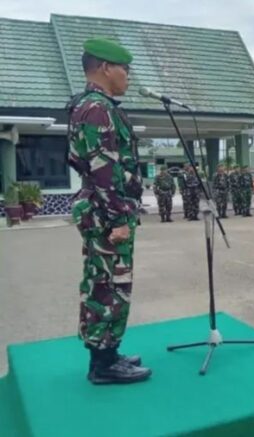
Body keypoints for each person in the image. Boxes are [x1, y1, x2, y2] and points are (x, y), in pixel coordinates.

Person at [66, 38, 151, 384]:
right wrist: (119, 218)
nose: (128, 76)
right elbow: (104, 168)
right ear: (104, 68)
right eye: (124, 69)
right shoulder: (97, 109)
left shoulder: (87, 105)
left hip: (99, 210)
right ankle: (103, 365)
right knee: (110, 286)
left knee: (102, 282)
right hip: (107, 213)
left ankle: (107, 353)